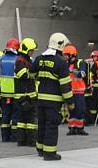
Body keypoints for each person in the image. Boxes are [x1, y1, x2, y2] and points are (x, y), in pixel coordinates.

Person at [32, 33, 74, 161]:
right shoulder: (61, 62)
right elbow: (65, 85)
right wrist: (70, 102)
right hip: (53, 100)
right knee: (51, 125)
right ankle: (49, 153)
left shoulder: (39, 59)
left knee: (42, 124)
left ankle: (40, 149)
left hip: (41, 99)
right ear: (60, 45)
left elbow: (31, 73)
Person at [14, 38, 37, 147]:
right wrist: (34, 73)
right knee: (29, 119)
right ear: (27, 50)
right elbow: (22, 74)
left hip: (25, 94)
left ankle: (22, 140)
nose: (33, 52)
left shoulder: (25, 60)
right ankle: (30, 141)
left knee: (23, 120)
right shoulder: (21, 61)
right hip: (24, 95)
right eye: (32, 50)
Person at [63, 44, 89, 136]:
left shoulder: (80, 63)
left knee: (80, 110)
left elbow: (82, 74)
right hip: (70, 91)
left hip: (79, 91)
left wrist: (72, 71)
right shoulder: (66, 64)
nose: (65, 57)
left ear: (72, 55)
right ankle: (72, 128)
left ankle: (80, 128)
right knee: (71, 110)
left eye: (66, 55)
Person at [0, 38, 20, 142]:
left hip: (4, 93)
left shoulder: (0, 59)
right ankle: (14, 136)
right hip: (15, 92)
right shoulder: (19, 59)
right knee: (15, 115)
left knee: (5, 115)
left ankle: (5, 137)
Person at [87, 50, 98, 123]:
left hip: (97, 87)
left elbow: (91, 74)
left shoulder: (96, 64)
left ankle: (93, 118)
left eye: (94, 57)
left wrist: (90, 84)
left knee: (94, 102)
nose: (93, 58)